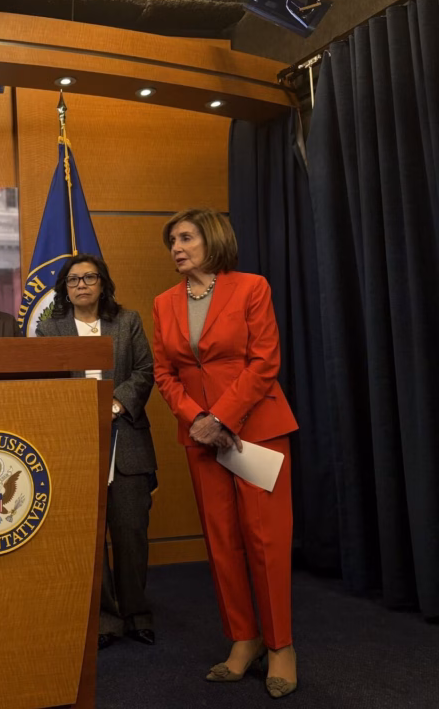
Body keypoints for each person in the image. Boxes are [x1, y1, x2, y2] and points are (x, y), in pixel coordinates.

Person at [152, 208, 299, 699]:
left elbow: (265, 361)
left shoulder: (251, 288)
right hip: (200, 436)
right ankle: (244, 638)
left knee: (265, 540)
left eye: (185, 237)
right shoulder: (164, 302)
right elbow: (164, 373)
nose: (176, 247)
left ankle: (280, 645)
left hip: (256, 429)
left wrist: (222, 417)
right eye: (172, 240)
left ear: (212, 239)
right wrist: (198, 418)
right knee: (221, 541)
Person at [36, 253, 157, 651]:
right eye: (73, 280)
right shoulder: (50, 329)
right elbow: (46, 383)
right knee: (90, 536)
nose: (82, 285)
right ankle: (105, 618)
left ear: (103, 283)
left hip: (127, 439)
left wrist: (115, 405)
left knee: (131, 533)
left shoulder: (127, 321)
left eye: (89, 278)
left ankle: (137, 614)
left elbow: (144, 371)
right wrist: (80, 411)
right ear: (64, 289)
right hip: (76, 442)